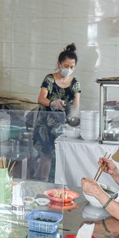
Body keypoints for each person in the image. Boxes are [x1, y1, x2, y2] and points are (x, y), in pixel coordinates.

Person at [31, 43, 81, 181]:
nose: (68, 69)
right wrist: (52, 103)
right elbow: (41, 99)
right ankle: (42, 185)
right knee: (45, 157)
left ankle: (56, 187)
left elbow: (76, 106)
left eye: (72, 67)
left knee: (59, 157)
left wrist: (72, 118)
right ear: (59, 64)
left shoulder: (75, 83)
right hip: (45, 125)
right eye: (66, 66)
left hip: (62, 126)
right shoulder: (50, 79)